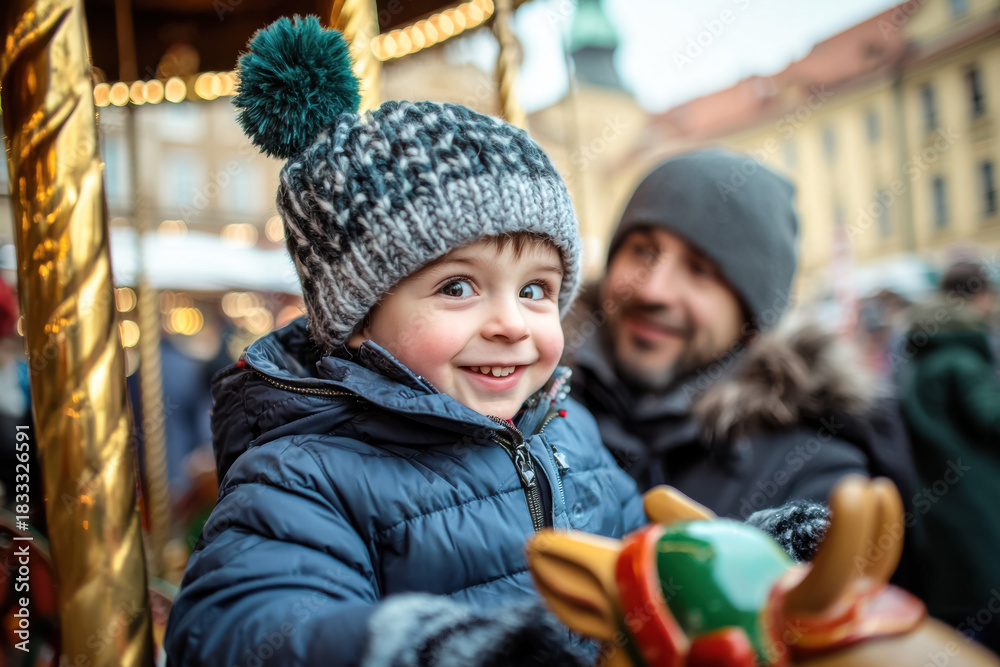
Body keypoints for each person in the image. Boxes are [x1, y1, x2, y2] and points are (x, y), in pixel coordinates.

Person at [164, 16, 643, 667]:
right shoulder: (304, 474)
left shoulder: (568, 432)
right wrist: (429, 648)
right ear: (358, 319)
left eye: (535, 290)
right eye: (457, 287)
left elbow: (643, 564)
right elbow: (241, 628)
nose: (512, 323)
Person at [565, 149, 915, 521]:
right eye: (642, 250)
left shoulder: (815, 483)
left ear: (752, 321)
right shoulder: (525, 405)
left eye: (700, 269)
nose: (653, 290)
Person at [898, 260, 1000, 651]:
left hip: (938, 512)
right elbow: (991, 418)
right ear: (979, 297)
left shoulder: (920, 359)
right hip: (979, 510)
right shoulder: (961, 360)